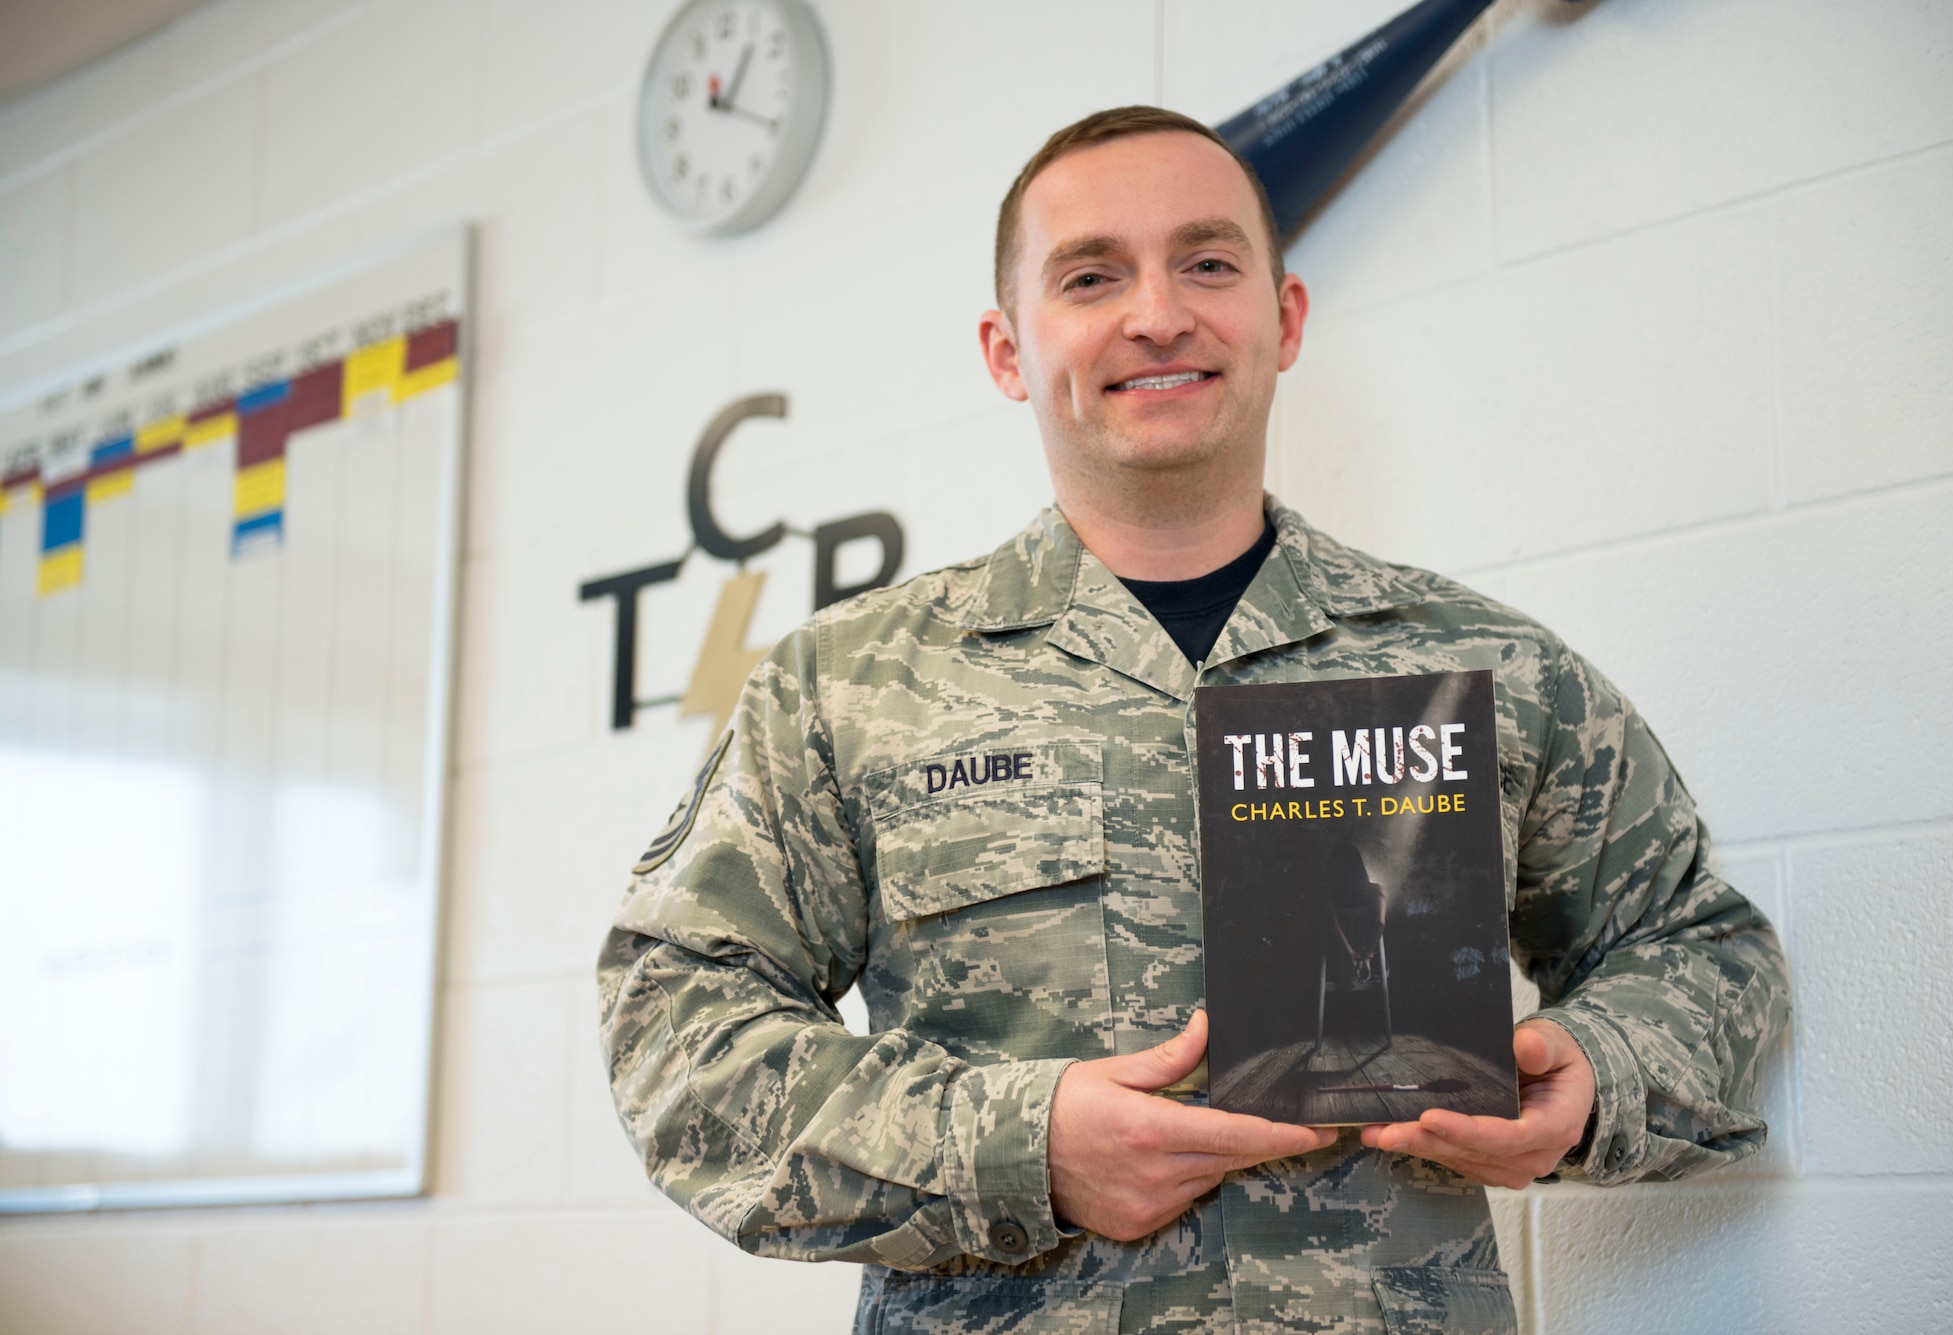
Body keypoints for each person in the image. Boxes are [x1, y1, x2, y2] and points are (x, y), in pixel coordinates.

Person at [599, 106, 1791, 1333]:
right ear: (1007, 351)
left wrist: (1592, 1074)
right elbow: (676, 1029)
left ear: (1283, 319)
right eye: (1090, 275)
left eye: (1208, 262)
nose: (1156, 311)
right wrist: (1019, 1146)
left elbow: (1697, 945)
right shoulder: (844, 687)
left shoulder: (1482, 668)